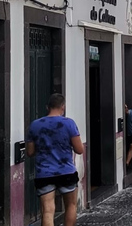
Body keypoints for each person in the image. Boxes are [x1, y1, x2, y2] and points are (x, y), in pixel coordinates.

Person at [26, 93, 83, 226]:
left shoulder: (35, 125)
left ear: (47, 107)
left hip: (44, 173)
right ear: (63, 106)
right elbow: (79, 149)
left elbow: (30, 152)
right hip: (66, 172)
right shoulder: (69, 123)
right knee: (71, 206)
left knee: (47, 210)